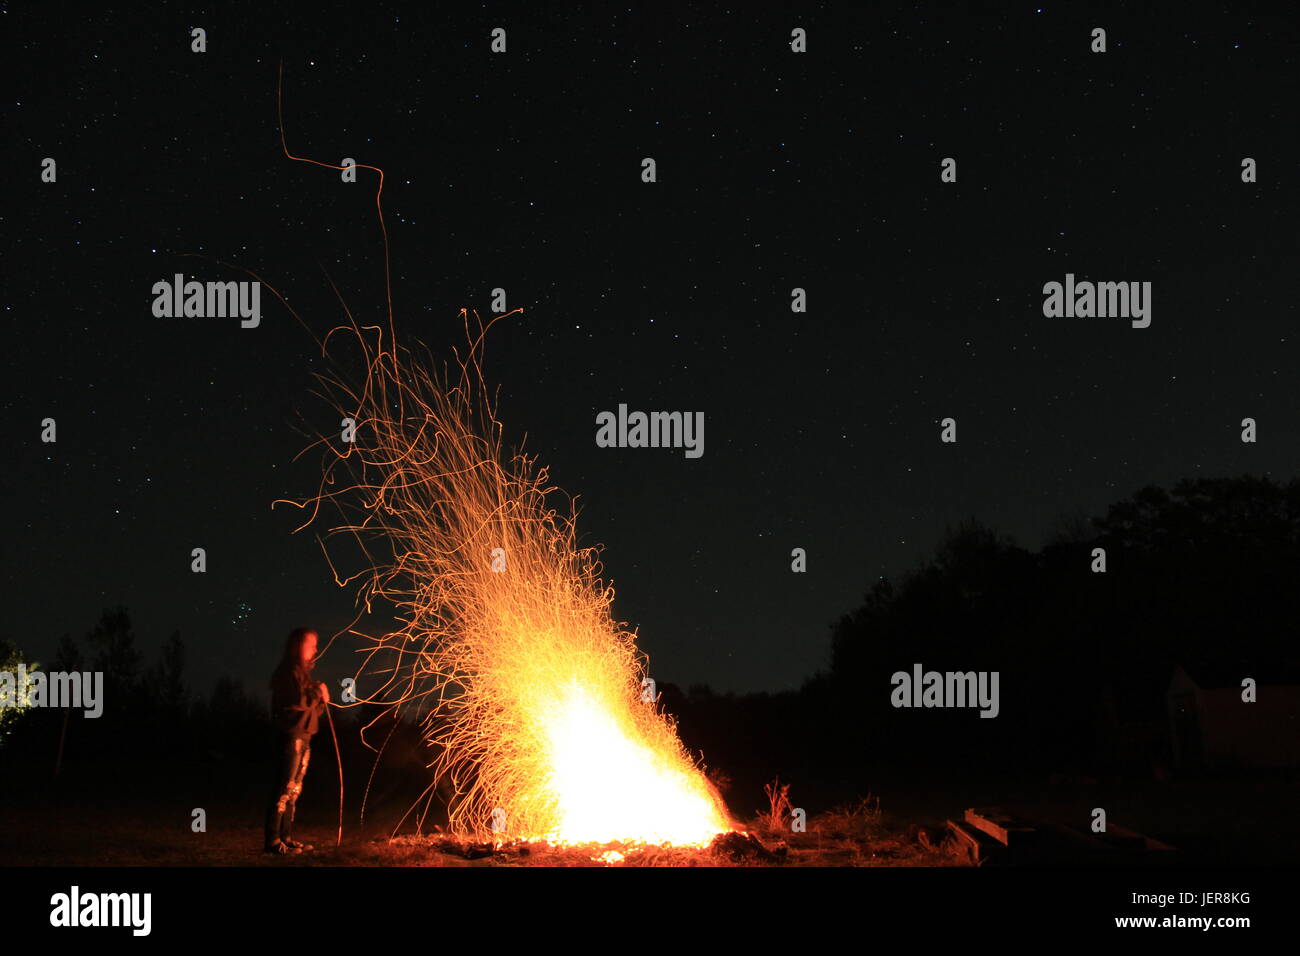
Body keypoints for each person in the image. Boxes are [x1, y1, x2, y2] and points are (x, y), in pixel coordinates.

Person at [264, 626, 330, 854]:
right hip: (292, 736)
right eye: (311, 644)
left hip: (305, 736)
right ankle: (272, 841)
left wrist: (321, 699)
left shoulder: (303, 675)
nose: (315, 649)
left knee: (295, 790)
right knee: (284, 787)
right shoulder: (288, 673)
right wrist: (316, 693)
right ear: (297, 646)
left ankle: (286, 836)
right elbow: (297, 702)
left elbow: (311, 709)